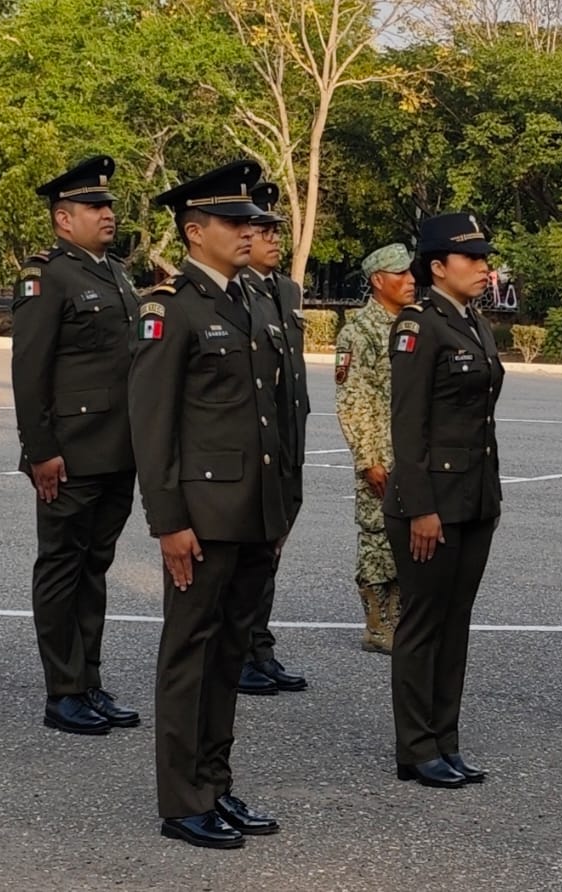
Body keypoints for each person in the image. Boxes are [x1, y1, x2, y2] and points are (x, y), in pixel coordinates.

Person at [129, 160, 287, 849]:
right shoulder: (171, 308)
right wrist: (169, 522)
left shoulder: (251, 299)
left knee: (227, 657)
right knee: (190, 658)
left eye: (251, 221)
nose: (249, 231)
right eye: (233, 222)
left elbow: (270, 418)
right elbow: (152, 425)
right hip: (202, 519)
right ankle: (183, 800)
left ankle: (215, 784)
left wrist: (277, 511)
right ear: (195, 232)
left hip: (251, 514)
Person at [11, 155, 141, 736]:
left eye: (108, 205)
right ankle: (63, 691)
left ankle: (88, 681)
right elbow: (29, 369)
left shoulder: (115, 273)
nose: (107, 214)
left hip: (116, 449)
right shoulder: (48, 277)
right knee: (63, 567)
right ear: (64, 219)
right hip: (69, 452)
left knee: (95, 566)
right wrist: (40, 451)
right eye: (94, 207)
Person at [384, 212, 503, 789]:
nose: (483, 267)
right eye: (471, 258)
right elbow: (408, 427)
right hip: (430, 503)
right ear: (437, 266)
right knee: (424, 624)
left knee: (455, 625)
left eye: (485, 258)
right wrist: (421, 508)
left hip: (474, 498)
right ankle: (416, 746)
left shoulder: (473, 322)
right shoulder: (418, 325)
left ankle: (444, 740)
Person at [236, 180, 309, 696]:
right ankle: (239, 650)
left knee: (270, 556)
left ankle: (260, 646)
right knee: (247, 557)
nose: (273, 239)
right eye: (262, 230)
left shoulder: (285, 290)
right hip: (257, 448)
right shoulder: (238, 291)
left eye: (275, 231)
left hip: (288, 444)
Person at [334, 242, 415, 654]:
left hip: (413, 455)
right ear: (378, 281)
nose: (411, 280)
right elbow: (352, 400)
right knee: (377, 540)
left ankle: (402, 618)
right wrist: (368, 460)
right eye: (401, 274)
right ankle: (378, 624)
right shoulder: (359, 332)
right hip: (381, 456)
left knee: (407, 539)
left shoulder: (413, 324)